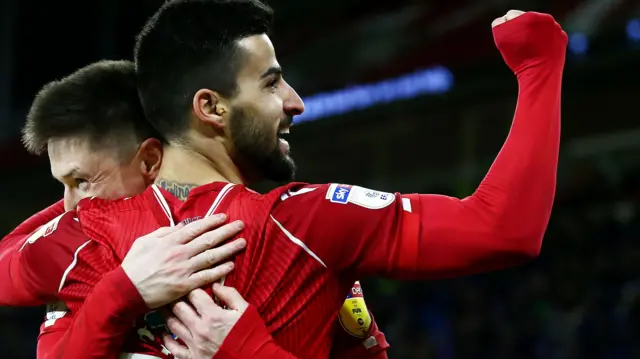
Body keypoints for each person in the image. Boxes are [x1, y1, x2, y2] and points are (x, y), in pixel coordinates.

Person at [42, 2, 566, 358]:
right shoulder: (307, 225)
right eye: (271, 84)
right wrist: (539, 66)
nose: (295, 102)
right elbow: (505, 228)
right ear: (211, 107)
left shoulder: (79, 243)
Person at [4, 60, 387, 358]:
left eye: (82, 181)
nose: (69, 208)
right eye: (64, 186)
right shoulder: (79, 255)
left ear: (152, 160)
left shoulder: (286, 240)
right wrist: (122, 293)